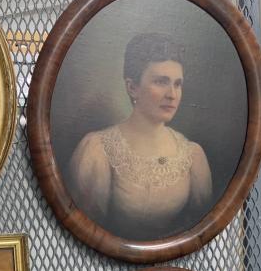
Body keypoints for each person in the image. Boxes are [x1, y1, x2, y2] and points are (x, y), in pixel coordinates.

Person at [68, 33, 213, 241]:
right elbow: (87, 231)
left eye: (178, 84)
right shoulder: (98, 148)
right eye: (161, 82)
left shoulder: (193, 155)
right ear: (132, 87)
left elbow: (201, 231)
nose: (172, 94)